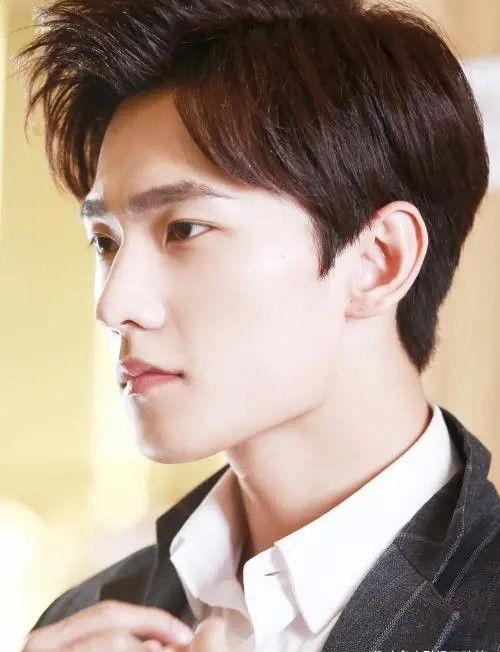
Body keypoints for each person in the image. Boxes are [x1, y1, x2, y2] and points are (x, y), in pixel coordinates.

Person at [16, 0, 499, 650]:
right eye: (105, 242)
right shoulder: (85, 618)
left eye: (184, 229)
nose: (115, 304)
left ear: (379, 260)